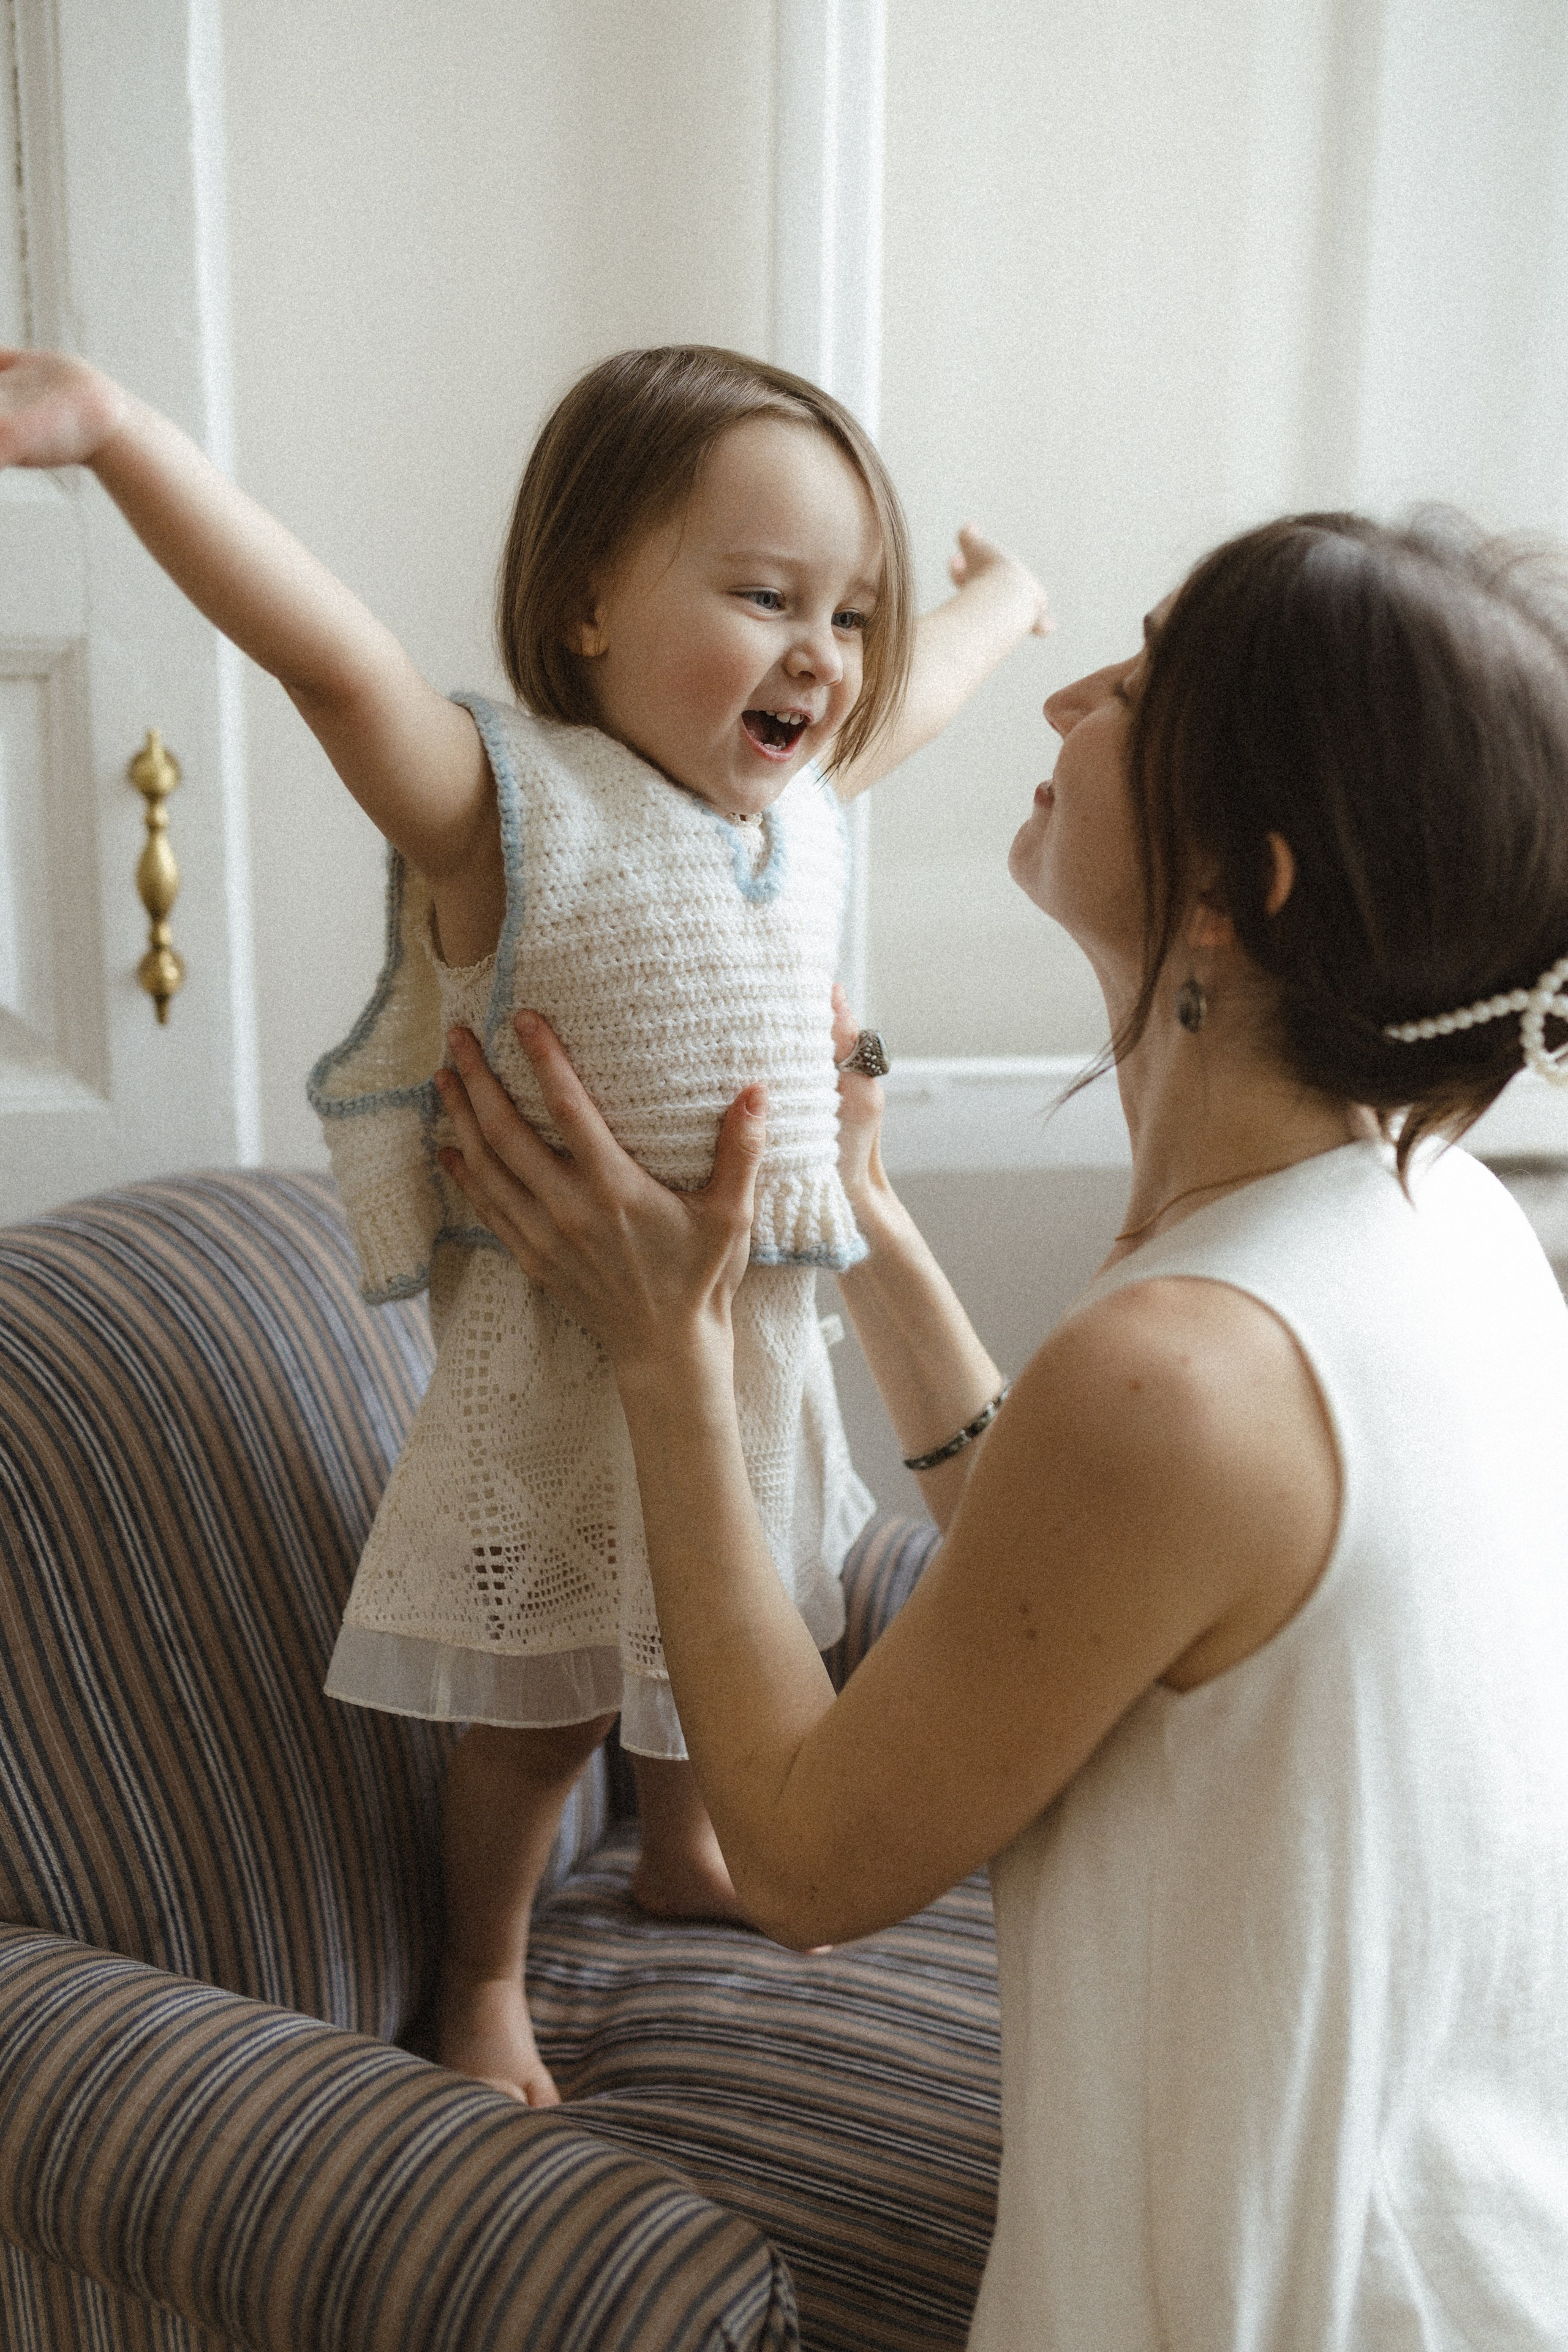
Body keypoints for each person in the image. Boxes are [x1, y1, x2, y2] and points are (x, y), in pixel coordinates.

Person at [434, 508, 1568, 2348]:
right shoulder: (1447, 1238)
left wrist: (669, 1351)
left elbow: (799, 1860)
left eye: (1133, 683)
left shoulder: (1184, 1375)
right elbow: (1092, 1586)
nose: (1064, 696)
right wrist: (869, 1224)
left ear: (1235, 889)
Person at [0, 341, 1048, 2108]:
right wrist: (117, 442)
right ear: (582, 610)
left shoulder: (803, 810)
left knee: (756, 1648)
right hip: (575, 1361)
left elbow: (918, 695)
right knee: (550, 1706)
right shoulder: (513, 811)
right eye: (767, 594)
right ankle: (482, 1974)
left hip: (758, 1352)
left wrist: (1000, 604)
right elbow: (329, 665)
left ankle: (690, 1849)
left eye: (848, 614)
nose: (822, 653)